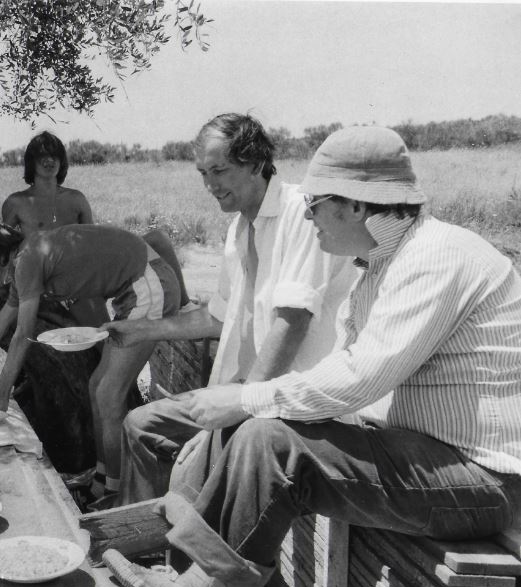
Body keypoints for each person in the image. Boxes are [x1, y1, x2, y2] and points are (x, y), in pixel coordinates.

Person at [104, 126, 521, 587]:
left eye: (316, 203)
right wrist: (242, 406)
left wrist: (243, 400)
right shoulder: (385, 263)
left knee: (265, 438)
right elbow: (343, 374)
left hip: (482, 477)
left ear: (357, 205)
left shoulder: (435, 258)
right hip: (428, 453)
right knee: (256, 429)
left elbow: (358, 379)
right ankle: (192, 582)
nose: (306, 213)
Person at [103, 113, 357, 506]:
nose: (210, 185)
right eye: (203, 172)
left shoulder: (301, 215)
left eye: (219, 170)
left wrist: (235, 409)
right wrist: (140, 331)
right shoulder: (239, 227)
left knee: (192, 453)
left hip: (288, 399)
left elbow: (292, 324)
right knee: (140, 425)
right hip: (244, 389)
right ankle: (142, 532)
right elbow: (217, 318)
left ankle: (175, 537)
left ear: (255, 163)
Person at [0, 221, 181, 496]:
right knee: (97, 387)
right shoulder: (25, 262)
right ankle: (102, 482)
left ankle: (118, 493)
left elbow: (22, 334)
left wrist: (2, 393)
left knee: (109, 394)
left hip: (148, 285)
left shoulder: (27, 261)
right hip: (136, 289)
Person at [3, 131, 192, 328]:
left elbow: (92, 241)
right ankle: (109, 345)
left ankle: (186, 307)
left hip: (90, 270)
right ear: (31, 161)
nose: (49, 161)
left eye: (55, 155)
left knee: (158, 239)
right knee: (104, 337)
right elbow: (4, 251)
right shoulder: (17, 203)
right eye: (42, 156)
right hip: (54, 281)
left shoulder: (76, 198)